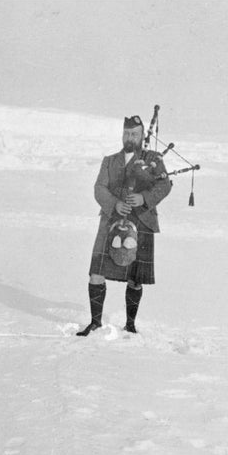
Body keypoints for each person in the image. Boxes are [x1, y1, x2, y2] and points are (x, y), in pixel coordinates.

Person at [77, 115, 173, 336]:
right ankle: (95, 322)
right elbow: (99, 188)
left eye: (135, 134)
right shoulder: (109, 161)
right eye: (127, 133)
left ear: (141, 136)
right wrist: (115, 204)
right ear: (122, 134)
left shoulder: (153, 159)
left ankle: (130, 324)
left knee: (136, 277)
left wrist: (144, 198)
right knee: (96, 273)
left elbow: (165, 185)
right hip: (111, 220)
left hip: (142, 220)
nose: (130, 137)